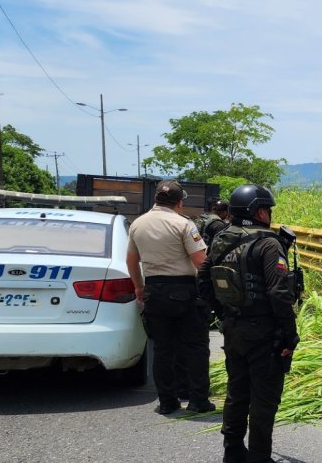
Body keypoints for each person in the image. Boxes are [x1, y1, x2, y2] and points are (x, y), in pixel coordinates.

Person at [197, 184, 299, 463]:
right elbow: (279, 292)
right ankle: (259, 457)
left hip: (233, 329)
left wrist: (224, 313)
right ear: (259, 212)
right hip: (264, 334)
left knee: (237, 392)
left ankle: (232, 450)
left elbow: (203, 280)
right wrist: (289, 334)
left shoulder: (223, 238)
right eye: (267, 209)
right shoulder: (269, 244)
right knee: (264, 400)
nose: (269, 214)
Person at [126, 180, 215, 415]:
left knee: (162, 349)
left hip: (153, 291)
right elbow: (200, 262)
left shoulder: (137, 224)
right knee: (195, 347)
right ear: (179, 202)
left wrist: (139, 288)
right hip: (184, 290)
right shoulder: (183, 224)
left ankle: (167, 401)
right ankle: (198, 400)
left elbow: (131, 261)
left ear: (156, 198)